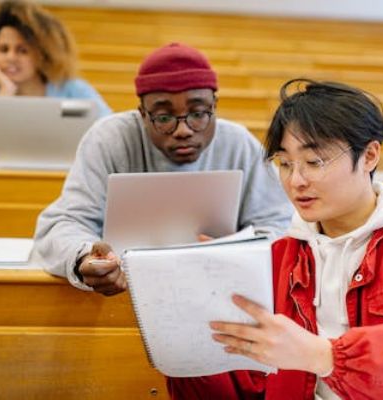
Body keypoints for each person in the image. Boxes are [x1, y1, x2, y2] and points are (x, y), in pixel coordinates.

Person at [208, 79, 383, 399]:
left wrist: (325, 356)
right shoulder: (283, 254)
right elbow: (246, 379)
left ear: (370, 155)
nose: (296, 180)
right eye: (285, 164)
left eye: (314, 162)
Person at [32, 43, 293, 299]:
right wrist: (84, 256)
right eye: (164, 118)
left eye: (198, 113)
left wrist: (235, 252)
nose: (183, 130)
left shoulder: (238, 143)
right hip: (123, 295)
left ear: (214, 105)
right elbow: (63, 225)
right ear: (142, 114)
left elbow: (279, 224)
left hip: (219, 293)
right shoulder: (108, 139)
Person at [0, 0, 111, 162]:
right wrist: (5, 92)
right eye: (3, 49)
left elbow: (110, 137)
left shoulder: (74, 90)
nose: (10, 57)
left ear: (42, 54)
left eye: (22, 50)